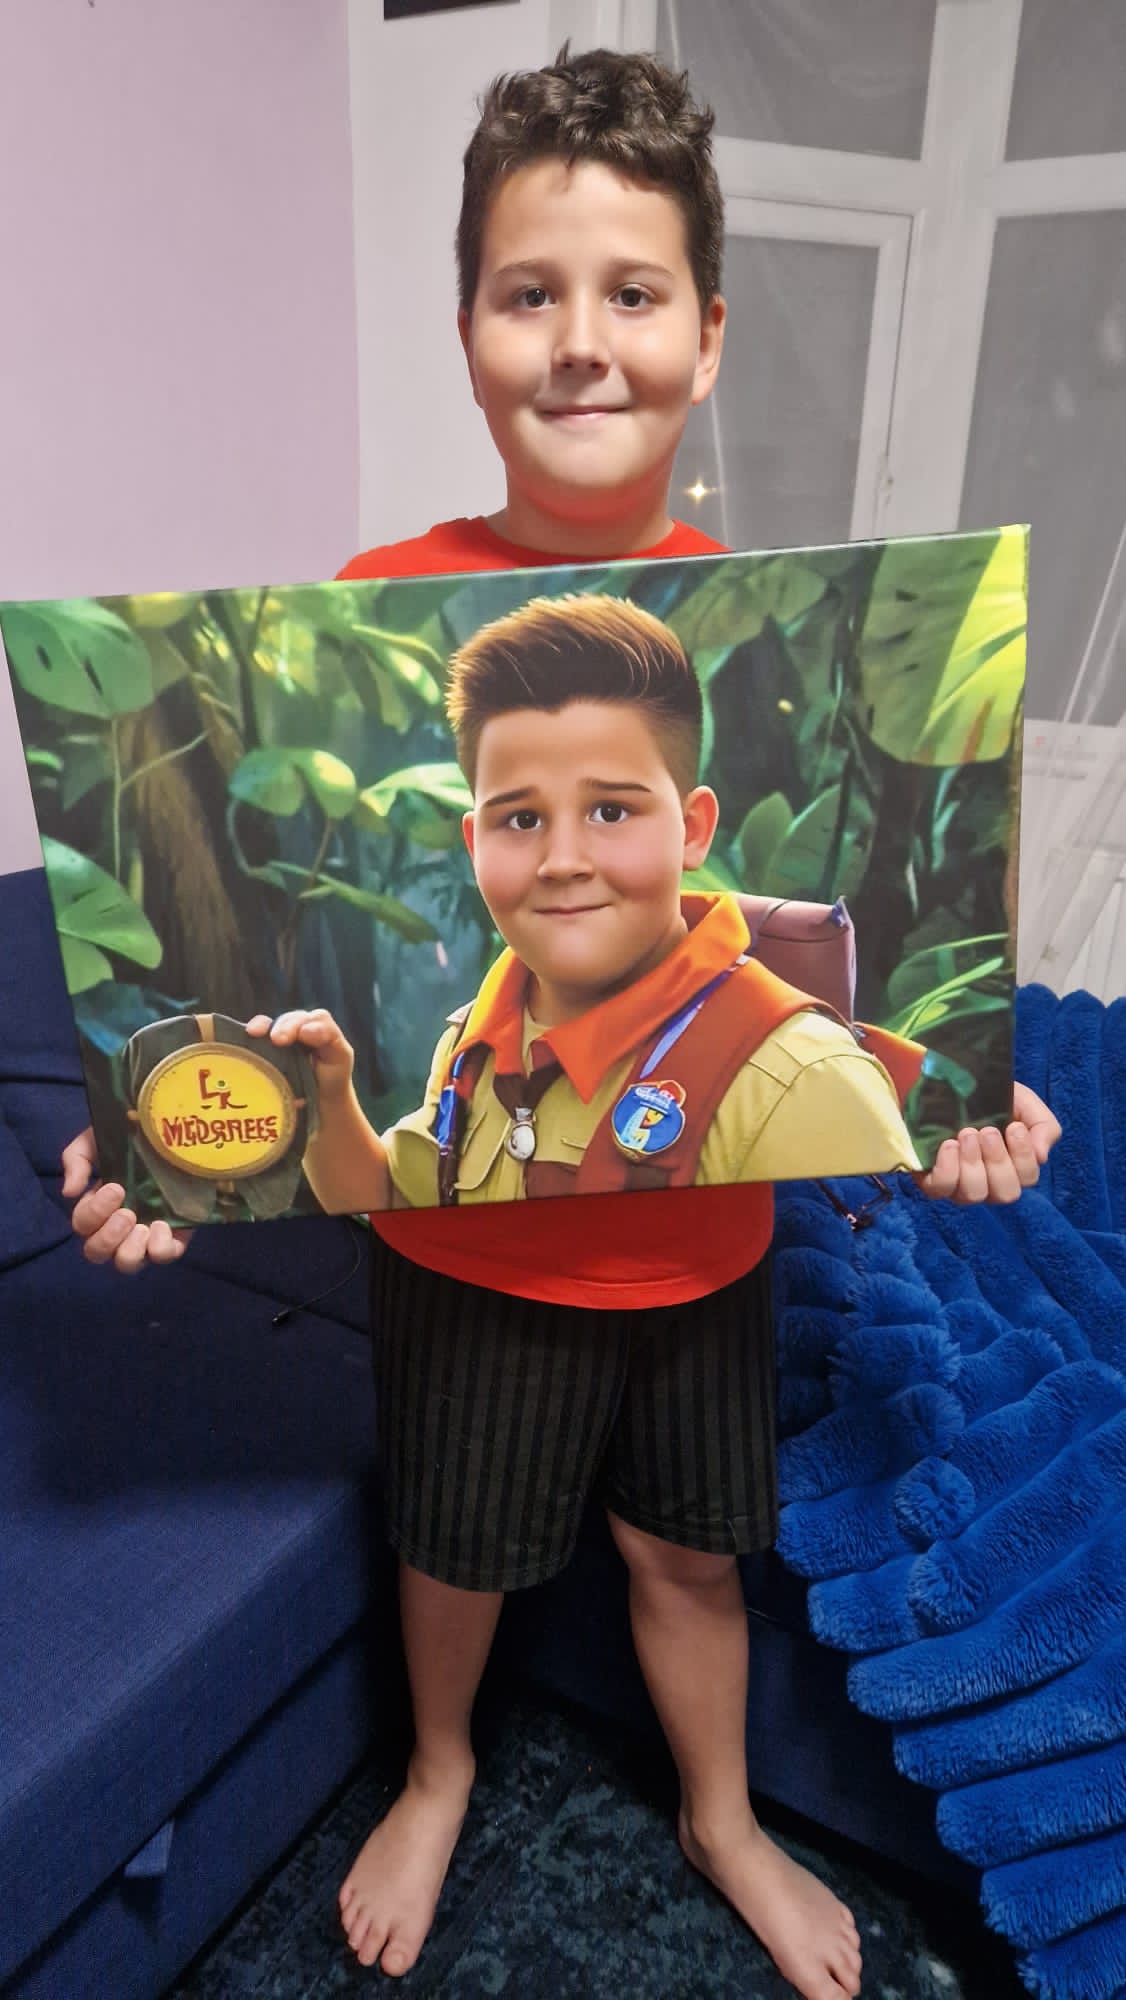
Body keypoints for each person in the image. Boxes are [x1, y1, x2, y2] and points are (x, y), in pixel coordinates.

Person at [64, 47, 1060, 2000]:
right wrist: (157, 1135)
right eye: (531, 293)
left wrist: (962, 1116)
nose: (579, 342)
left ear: (700, 333)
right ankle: (434, 1769)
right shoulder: (375, 605)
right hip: (458, 1265)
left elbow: (875, 1071)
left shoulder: (737, 622)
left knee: (691, 1557)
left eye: (629, 294)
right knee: (457, 1549)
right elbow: (290, 1080)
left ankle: (718, 1812)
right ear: (468, 331)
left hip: (699, 1260)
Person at [381, 587, 927, 1209]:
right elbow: (406, 1206)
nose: (563, 862)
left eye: (611, 811)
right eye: (523, 821)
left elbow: (881, 1295)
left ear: (693, 829)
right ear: (476, 845)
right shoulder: (472, 1045)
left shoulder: (801, 1085)